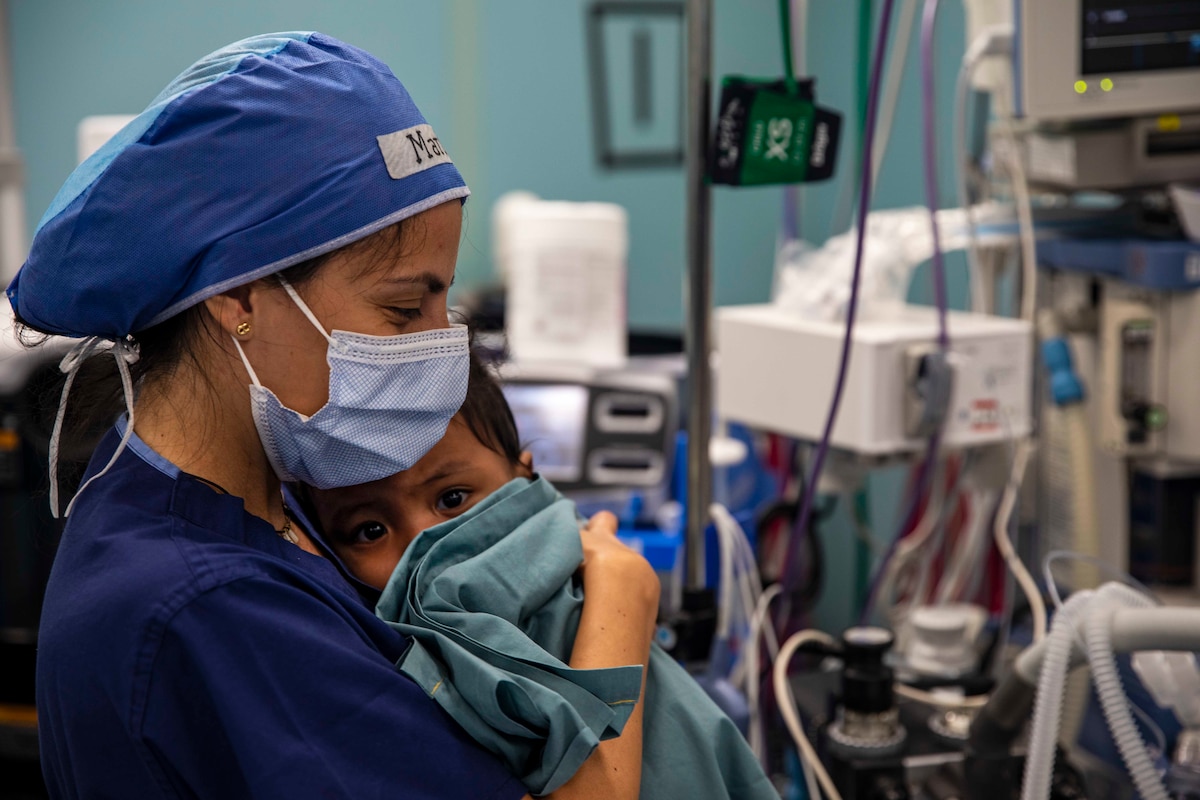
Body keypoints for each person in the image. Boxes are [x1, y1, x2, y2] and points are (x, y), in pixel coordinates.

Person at [12, 33, 659, 799]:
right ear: (241, 297)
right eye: (402, 308)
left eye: (443, 301)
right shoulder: (210, 610)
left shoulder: (237, 491)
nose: (442, 349)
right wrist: (623, 604)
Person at [303, 352, 779, 799]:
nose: (425, 547)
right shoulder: (370, 667)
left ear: (525, 478)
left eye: (452, 500)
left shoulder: (578, 568)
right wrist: (623, 595)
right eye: (370, 530)